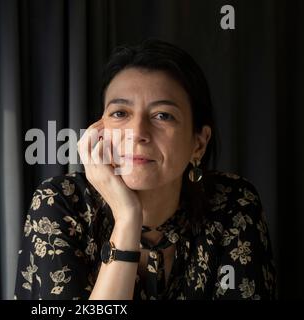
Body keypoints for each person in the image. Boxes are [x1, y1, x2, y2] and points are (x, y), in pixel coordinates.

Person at [14, 39, 277, 300]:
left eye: (162, 115)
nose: (137, 133)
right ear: (98, 129)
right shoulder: (59, 204)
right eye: (120, 113)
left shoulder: (233, 204)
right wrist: (128, 217)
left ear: (199, 143)